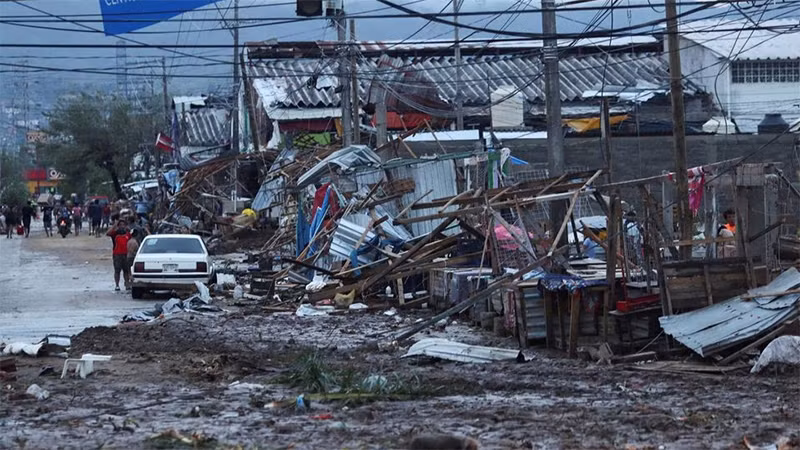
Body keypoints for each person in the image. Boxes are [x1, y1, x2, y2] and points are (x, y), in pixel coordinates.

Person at [107, 219, 131, 291]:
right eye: (120, 225)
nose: (122, 226)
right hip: (117, 255)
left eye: (123, 225)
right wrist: (114, 225)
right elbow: (108, 233)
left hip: (126, 254)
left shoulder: (127, 234)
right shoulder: (115, 234)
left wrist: (128, 228)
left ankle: (127, 284)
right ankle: (117, 285)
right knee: (117, 270)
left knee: (126, 271)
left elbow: (134, 234)